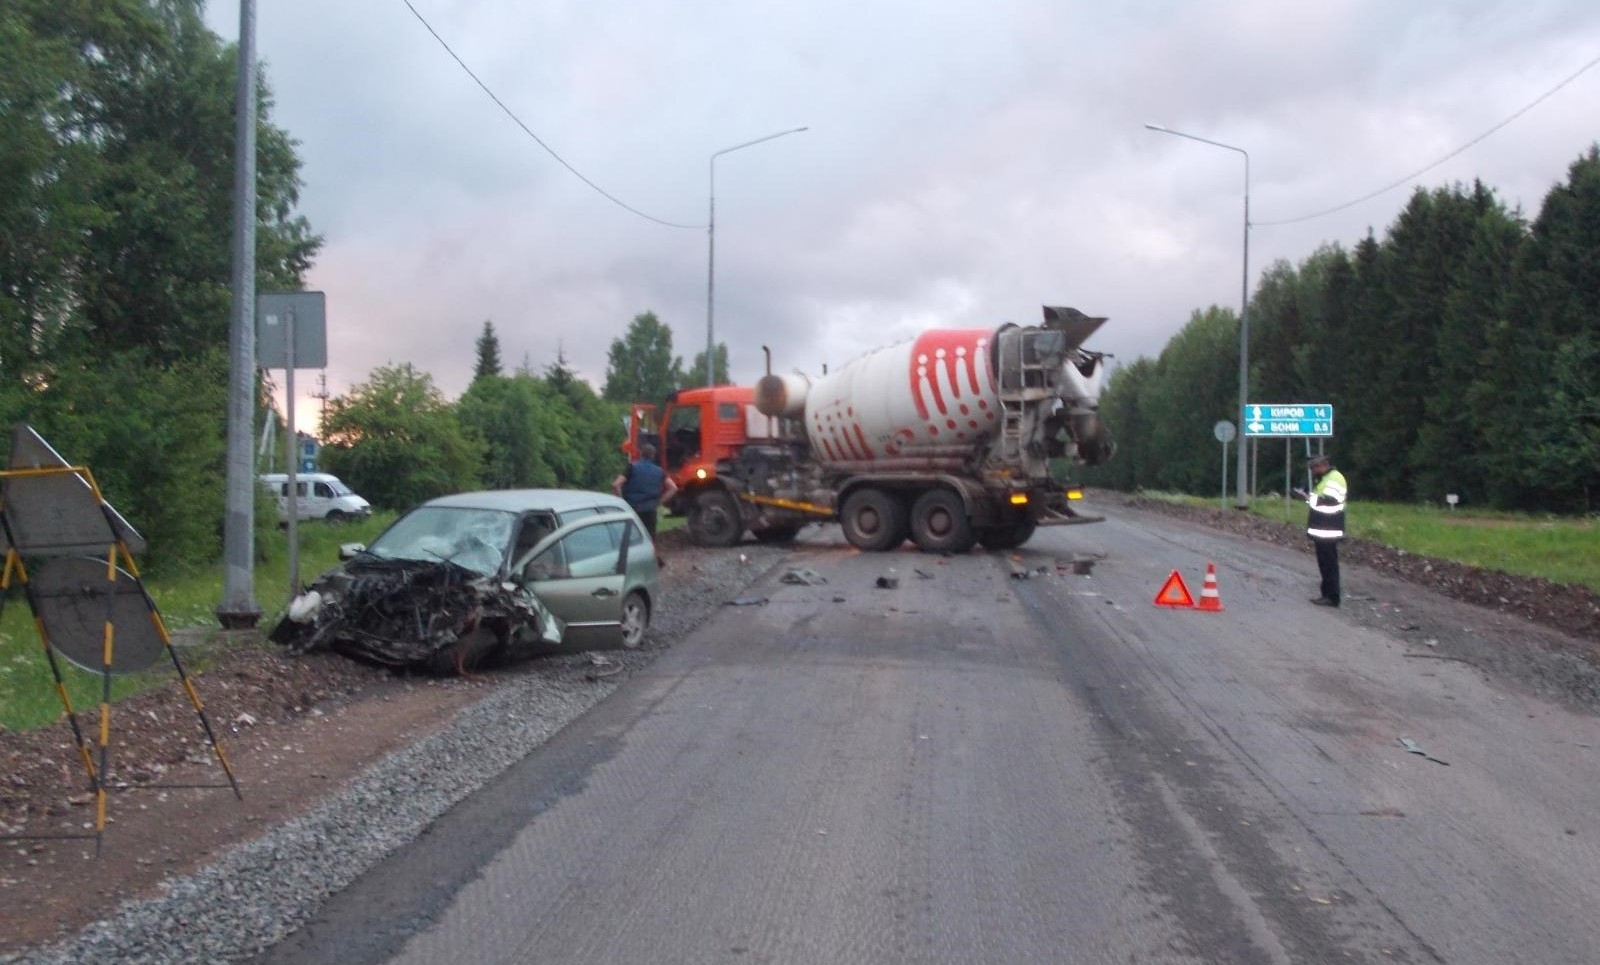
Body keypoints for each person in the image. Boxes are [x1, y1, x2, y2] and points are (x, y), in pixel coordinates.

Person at [1295, 453, 1348, 607]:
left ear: (1323, 465)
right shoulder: (1326, 479)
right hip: (1324, 528)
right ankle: (1328, 594)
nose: (1313, 471)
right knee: (1326, 563)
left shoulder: (1334, 479)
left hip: (1329, 528)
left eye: (1314, 468)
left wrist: (1307, 497)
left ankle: (1331, 596)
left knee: (1329, 564)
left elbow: (1329, 501)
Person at [612, 443, 678, 541]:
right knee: (649, 540)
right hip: (650, 510)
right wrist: (659, 502)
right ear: (653, 456)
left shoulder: (632, 468)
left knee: (631, 540)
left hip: (633, 509)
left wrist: (622, 502)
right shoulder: (659, 471)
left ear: (641, 453)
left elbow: (616, 484)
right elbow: (673, 488)